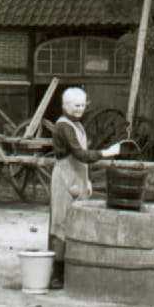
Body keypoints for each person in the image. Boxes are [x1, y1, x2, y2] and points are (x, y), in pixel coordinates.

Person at [48, 87, 120, 289]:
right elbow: (80, 154)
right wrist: (106, 153)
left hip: (78, 177)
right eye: (76, 106)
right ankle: (57, 275)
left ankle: (75, 269)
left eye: (82, 105)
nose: (80, 109)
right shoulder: (64, 127)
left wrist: (86, 179)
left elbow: (82, 158)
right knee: (61, 225)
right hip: (65, 178)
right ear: (65, 106)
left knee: (77, 223)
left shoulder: (77, 125)